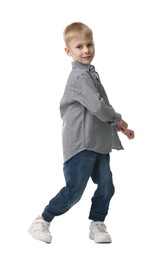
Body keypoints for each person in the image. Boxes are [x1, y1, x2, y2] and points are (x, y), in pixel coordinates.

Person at [28, 22, 134, 244]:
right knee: (75, 190)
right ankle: (42, 220)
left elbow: (101, 107)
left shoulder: (91, 74)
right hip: (82, 144)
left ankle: (97, 223)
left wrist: (119, 127)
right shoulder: (79, 77)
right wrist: (119, 120)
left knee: (106, 185)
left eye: (89, 44)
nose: (86, 50)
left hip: (98, 142)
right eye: (79, 46)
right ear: (68, 51)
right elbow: (98, 108)